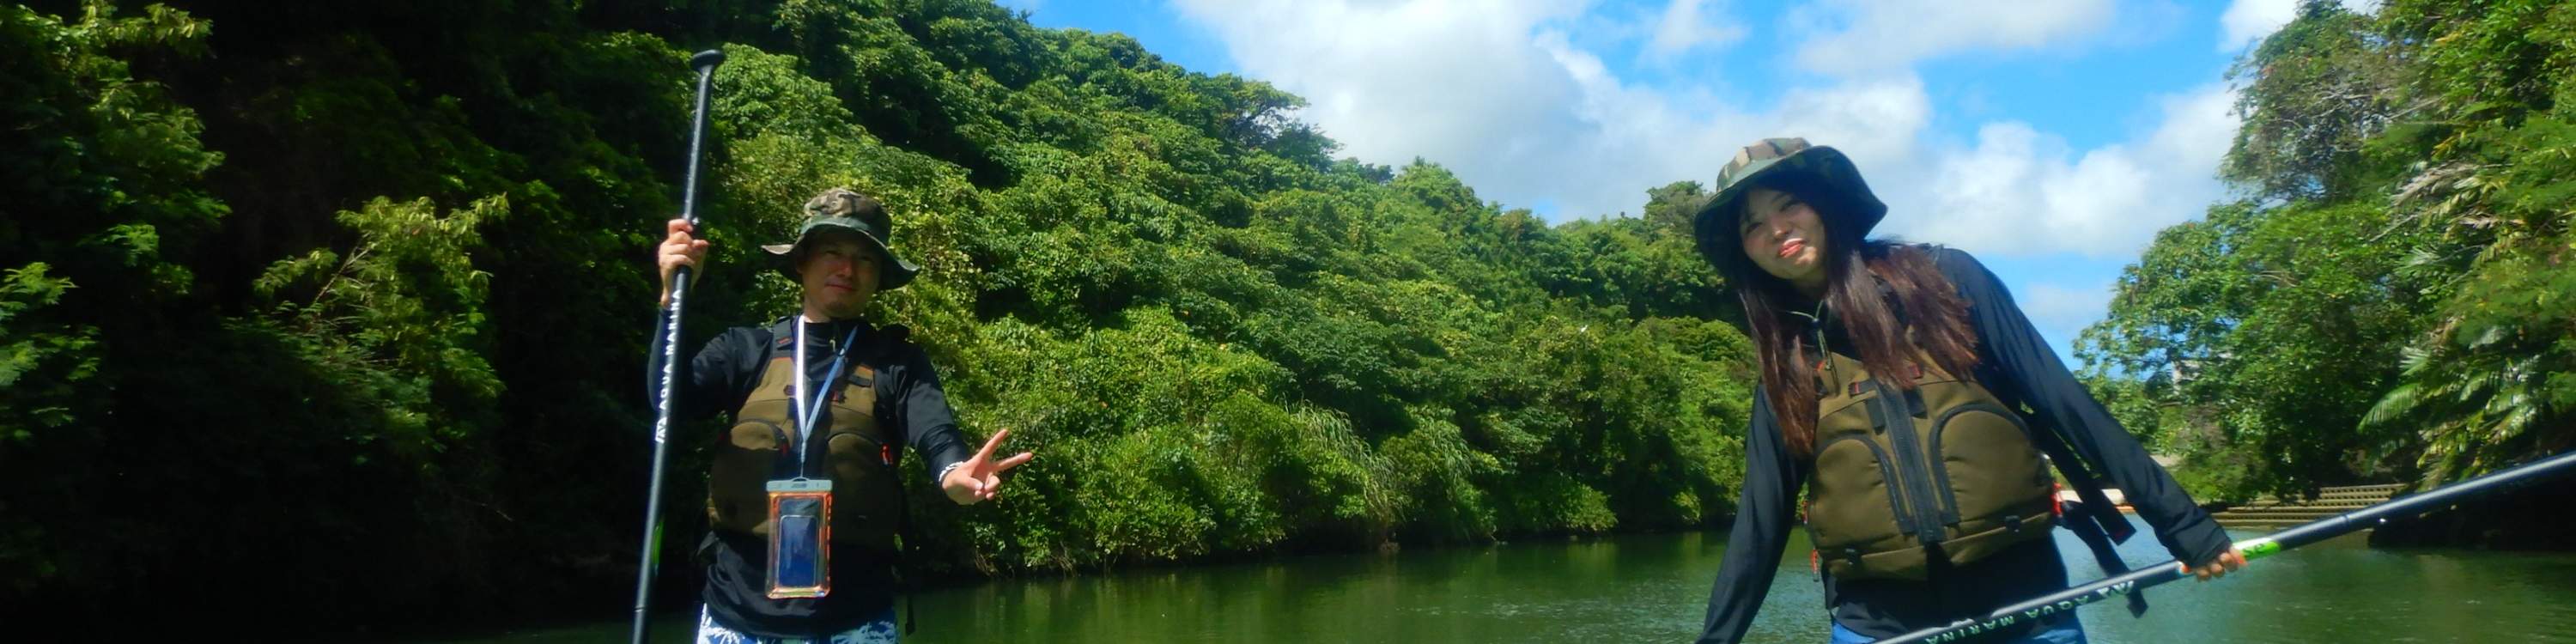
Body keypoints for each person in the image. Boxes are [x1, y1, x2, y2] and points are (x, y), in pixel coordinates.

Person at [1690, 139, 2245, 644]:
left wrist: (2184, 525)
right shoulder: (1784, 363)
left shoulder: (1945, 280)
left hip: (2028, 611)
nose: (1777, 229)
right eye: (1753, 224)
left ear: (1826, 204)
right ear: (1746, 250)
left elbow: (2067, 403)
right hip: (1879, 625)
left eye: (1789, 204)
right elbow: (1759, 523)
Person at [650, 187, 1035, 643]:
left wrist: (954, 474)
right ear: (801, 261)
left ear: (878, 277)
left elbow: (935, 432)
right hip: (735, 616)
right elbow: (669, 405)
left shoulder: (897, 362)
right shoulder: (744, 350)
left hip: (856, 621)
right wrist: (673, 301)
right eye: (832, 251)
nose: (847, 269)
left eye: (865, 259)